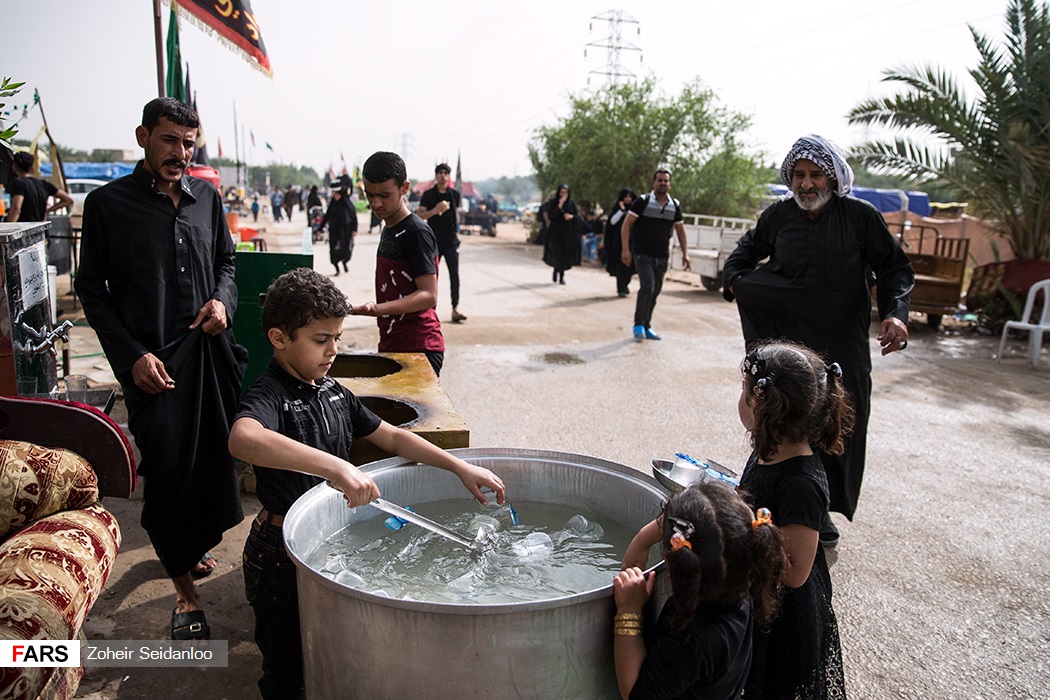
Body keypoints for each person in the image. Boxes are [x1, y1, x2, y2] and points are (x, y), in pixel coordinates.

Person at [229, 267, 505, 699]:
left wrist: (457, 467)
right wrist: (335, 468)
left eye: (337, 338)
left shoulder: (332, 391)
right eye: (321, 340)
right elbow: (244, 438)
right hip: (280, 554)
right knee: (285, 665)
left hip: (327, 541)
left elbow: (392, 436)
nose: (333, 350)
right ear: (279, 338)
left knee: (327, 649)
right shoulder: (270, 396)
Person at [75, 97, 247, 640]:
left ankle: (189, 547)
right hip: (151, 366)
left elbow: (226, 264)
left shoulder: (207, 198)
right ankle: (184, 593)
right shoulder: (108, 204)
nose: (180, 152)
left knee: (212, 460)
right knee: (169, 470)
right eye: (170, 140)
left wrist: (222, 301)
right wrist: (131, 357)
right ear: (143, 137)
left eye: (189, 142)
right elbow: (90, 291)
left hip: (208, 355)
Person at [722, 134, 914, 546]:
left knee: (840, 419)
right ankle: (770, 497)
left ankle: (819, 508)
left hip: (841, 340)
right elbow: (745, 251)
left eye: (815, 175)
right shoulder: (778, 216)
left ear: (833, 177)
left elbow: (896, 268)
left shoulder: (860, 217)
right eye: (799, 175)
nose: (806, 184)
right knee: (780, 412)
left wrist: (897, 314)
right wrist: (736, 282)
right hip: (789, 345)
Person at [734, 340, 853, 698]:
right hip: (758, 591)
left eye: (744, 393)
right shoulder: (768, 450)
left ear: (764, 404)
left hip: (784, 615)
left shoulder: (801, 482)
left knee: (774, 683)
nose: (739, 401)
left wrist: (739, 528)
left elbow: (796, 572)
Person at [614, 481, 784, 700]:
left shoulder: (690, 640)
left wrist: (629, 611)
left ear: (678, 562)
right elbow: (715, 529)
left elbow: (634, 693)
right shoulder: (742, 583)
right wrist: (642, 540)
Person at [351, 151, 445, 376]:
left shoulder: (416, 232)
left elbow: (428, 295)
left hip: (418, 347)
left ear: (404, 188)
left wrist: (376, 310)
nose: (376, 203)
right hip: (393, 342)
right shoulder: (389, 227)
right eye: (370, 195)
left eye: (384, 195)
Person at [621, 170, 691, 341]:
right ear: (654, 183)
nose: (662, 183)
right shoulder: (643, 202)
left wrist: (685, 253)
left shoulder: (674, 205)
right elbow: (626, 224)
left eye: (666, 181)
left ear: (670, 184)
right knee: (647, 286)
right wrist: (625, 249)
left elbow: (680, 230)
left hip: (662, 256)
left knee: (655, 291)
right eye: (659, 180)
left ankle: (647, 325)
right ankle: (638, 325)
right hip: (642, 253)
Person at [417, 163, 467, 323]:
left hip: (451, 241)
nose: (443, 175)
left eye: (446, 173)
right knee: (432, 277)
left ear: (449, 176)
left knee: (454, 274)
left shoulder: (454, 195)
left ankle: (455, 308)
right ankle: (429, 310)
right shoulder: (429, 194)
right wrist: (435, 210)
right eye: (440, 173)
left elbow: (456, 214)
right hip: (434, 241)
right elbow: (420, 215)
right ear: (436, 175)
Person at [6, 151, 73, 222]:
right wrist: (47, 211)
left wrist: (8, 228)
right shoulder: (43, 184)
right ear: (32, 167)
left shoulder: (19, 183)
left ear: (14, 167)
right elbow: (68, 200)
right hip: (40, 228)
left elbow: (16, 209)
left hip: (25, 228)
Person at [542, 184, 581, 284]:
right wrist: (560, 205)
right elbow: (551, 216)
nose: (564, 195)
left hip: (567, 233)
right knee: (557, 253)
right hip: (555, 233)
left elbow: (577, 218)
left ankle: (562, 275)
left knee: (564, 254)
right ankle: (556, 270)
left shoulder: (571, 204)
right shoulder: (553, 203)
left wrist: (571, 217)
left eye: (566, 192)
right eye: (562, 192)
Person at [603, 188, 637, 298]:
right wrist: (621, 211)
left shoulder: (635, 209)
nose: (627, 199)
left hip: (632, 242)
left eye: (629, 197)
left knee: (630, 266)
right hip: (618, 243)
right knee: (620, 265)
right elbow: (612, 222)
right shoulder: (617, 209)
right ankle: (621, 288)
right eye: (625, 197)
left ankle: (625, 284)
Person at [322, 184, 357, 275]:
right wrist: (320, 228)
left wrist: (354, 229)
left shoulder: (348, 205)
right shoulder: (332, 205)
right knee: (334, 251)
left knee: (347, 250)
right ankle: (337, 268)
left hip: (346, 232)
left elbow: (354, 218)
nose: (336, 196)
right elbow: (326, 217)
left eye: (338, 195)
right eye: (335, 195)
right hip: (334, 231)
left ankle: (345, 262)